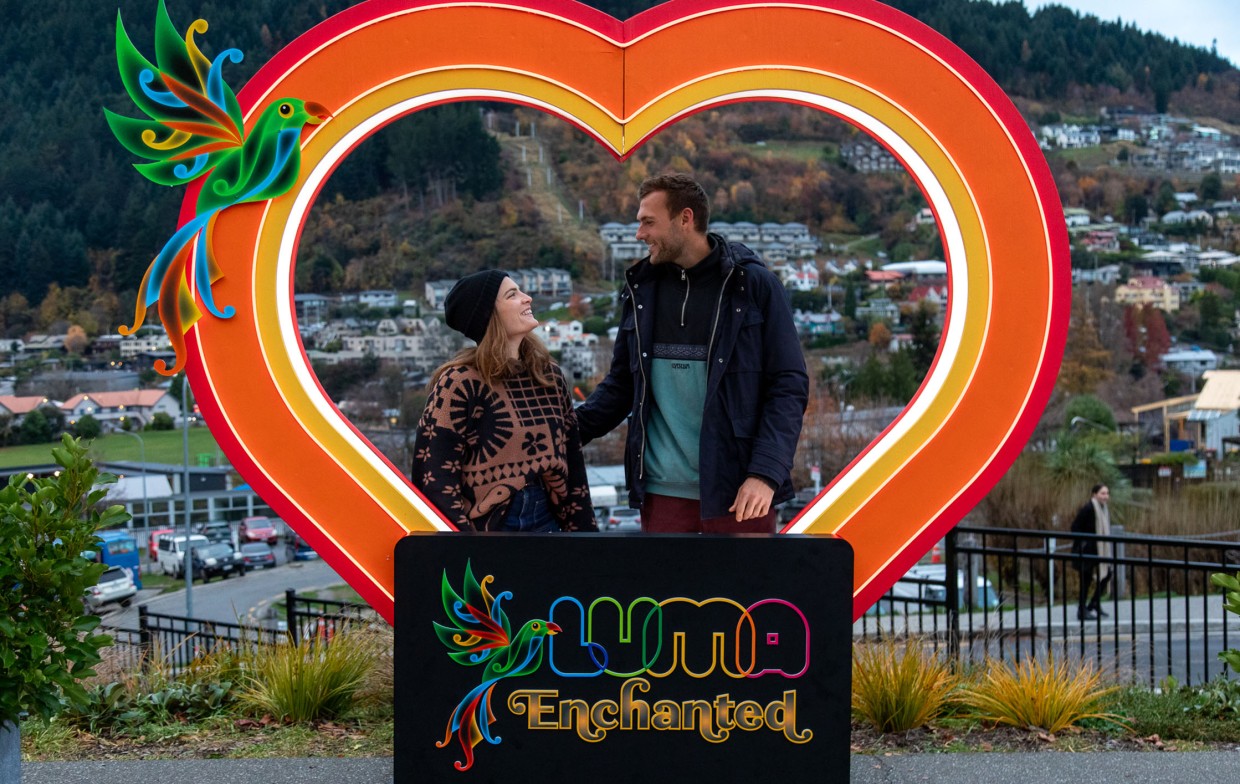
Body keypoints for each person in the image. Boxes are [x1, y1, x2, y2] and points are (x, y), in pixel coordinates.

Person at [576, 173, 809, 533]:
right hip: (661, 494)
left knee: (744, 592)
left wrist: (765, 473)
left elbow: (788, 386)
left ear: (685, 219)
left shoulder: (753, 286)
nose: (640, 235)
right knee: (668, 592)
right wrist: (561, 434)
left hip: (739, 493)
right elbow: (621, 385)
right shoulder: (642, 291)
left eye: (648, 222)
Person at [411, 270, 596, 533]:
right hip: (490, 530)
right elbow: (434, 479)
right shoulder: (459, 383)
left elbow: (573, 464)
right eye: (513, 294)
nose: (528, 298)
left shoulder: (548, 377)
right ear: (489, 315)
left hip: (549, 522)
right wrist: (464, 546)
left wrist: (586, 539)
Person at [1071, 483, 1112, 621]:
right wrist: (1085, 542)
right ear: (1094, 494)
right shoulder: (1088, 508)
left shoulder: (1103, 509)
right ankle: (1082, 611)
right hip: (1087, 551)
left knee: (1107, 574)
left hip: (1099, 551)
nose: (1106, 496)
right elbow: (1075, 527)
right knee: (1086, 581)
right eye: (1102, 493)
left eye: (1107, 493)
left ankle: (1094, 603)